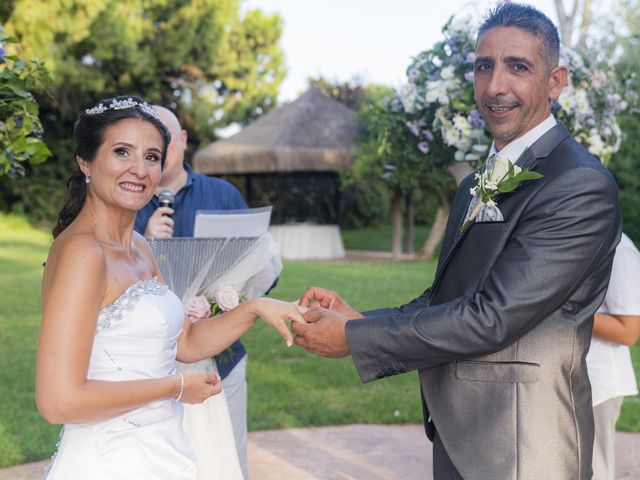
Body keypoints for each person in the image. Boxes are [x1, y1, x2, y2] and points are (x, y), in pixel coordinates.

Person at [292, 4, 621, 479]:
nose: (494, 86)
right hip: (458, 433)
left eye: (518, 67)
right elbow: (449, 295)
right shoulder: (474, 184)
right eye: (483, 66)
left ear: (555, 81)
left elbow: (493, 316)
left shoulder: (579, 185)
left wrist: (352, 339)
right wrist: (360, 318)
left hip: (524, 443)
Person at [37, 95, 304, 479]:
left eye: (151, 157)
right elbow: (58, 400)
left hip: (164, 449)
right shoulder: (83, 253)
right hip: (112, 461)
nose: (139, 169)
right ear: (86, 162)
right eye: (122, 152)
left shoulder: (141, 248)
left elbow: (185, 344)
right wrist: (174, 387)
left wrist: (255, 308)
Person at [134, 106, 253, 478]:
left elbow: (257, 267)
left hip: (222, 357)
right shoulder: (127, 199)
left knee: (226, 459)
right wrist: (145, 243)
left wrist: (227, 295)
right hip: (146, 367)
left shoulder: (223, 195)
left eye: (167, 139)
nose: (160, 148)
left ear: (183, 139)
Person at [587, 232, 640, 480]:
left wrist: (561, 308)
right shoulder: (570, 234)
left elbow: (629, 331)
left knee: (593, 471)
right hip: (565, 378)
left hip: (598, 385)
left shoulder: (620, 247)